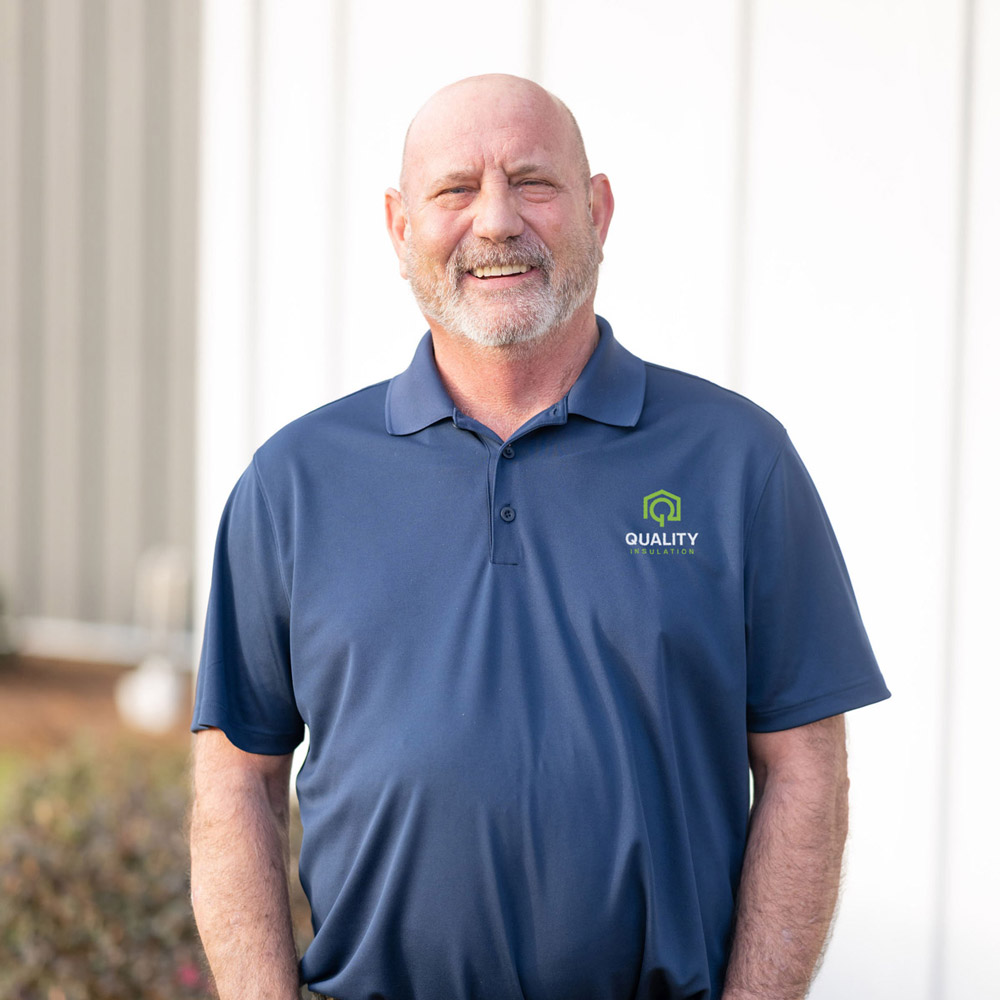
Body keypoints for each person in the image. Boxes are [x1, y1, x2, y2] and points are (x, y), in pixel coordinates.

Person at [189, 74, 890, 1000]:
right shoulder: (294, 482)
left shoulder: (737, 461)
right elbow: (235, 782)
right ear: (400, 227)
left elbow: (806, 769)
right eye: (454, 190)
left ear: (598, 209)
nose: (496, 221)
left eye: (533, 181)